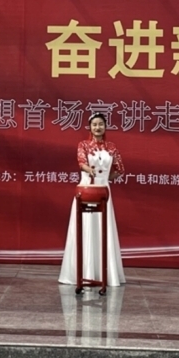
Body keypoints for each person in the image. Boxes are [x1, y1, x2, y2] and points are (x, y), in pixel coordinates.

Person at [59, 113, 126, 287]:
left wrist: (105, 178)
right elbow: (81, 162)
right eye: (94, 124)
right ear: (90, 127)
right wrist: (90, 171)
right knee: (85, 227)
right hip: (87, 189)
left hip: (103, 190)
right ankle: (83, 272)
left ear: (105, 126)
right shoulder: (83, 145)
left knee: (104, 228)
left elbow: (120, 169)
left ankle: (105, 273)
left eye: (101, 124)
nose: (98, 127)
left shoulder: (112, 147)